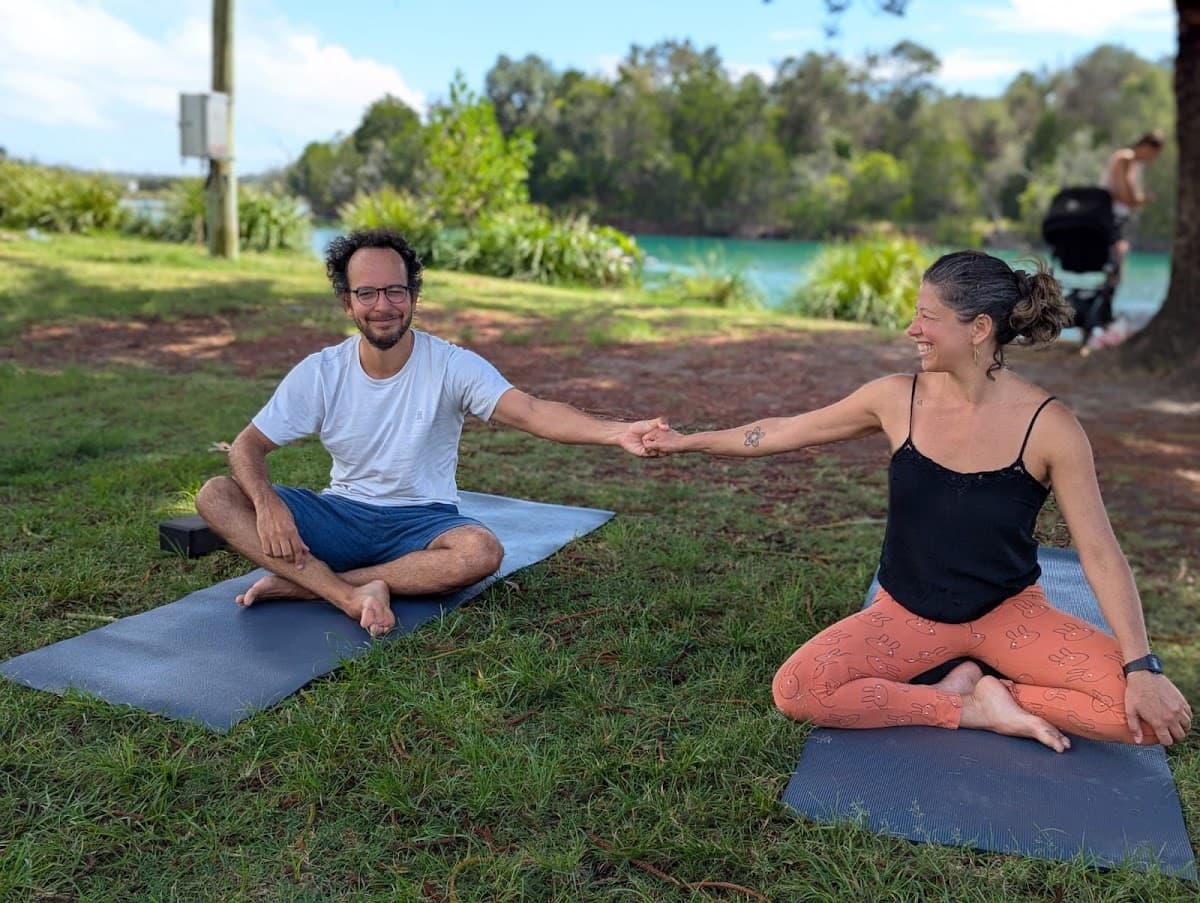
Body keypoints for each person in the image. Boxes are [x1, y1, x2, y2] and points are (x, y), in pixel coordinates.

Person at [642, 250, 1191, 752]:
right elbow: (784, 430)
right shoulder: (894, 399)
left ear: (979, 328)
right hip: (908, 612)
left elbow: (1099, 552)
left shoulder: (1051, 428)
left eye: (928, 317)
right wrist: (687, 442)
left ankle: (998, 690)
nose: (913, 329)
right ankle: (969, 705)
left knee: (1150, 720)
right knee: (800, 689)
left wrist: (1142, 667)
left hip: (1008, 615)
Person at [196, 228, 664, 636]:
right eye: (367, 293)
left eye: (395, 291)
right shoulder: (322, 371)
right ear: (347, 302)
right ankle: (347, 593)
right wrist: (267, 504)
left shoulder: (451, 365)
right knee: (216, 495)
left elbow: (532, 412)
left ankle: (316, 585)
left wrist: (617, 432)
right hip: (340, 515)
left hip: (421, 524)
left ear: (414, 297)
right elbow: (248, 446)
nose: (383, 306)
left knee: (479, 552)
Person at [1102, 129, 1164, 284]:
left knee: (1115, 274)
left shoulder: (1131, 161)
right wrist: (1143, 199)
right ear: (1147, 147)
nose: (1153, 159)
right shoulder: (1126, 158)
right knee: (1115, 270)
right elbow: (1126, 197)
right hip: (1111, 219)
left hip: (1115, 219)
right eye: (1154, 154)